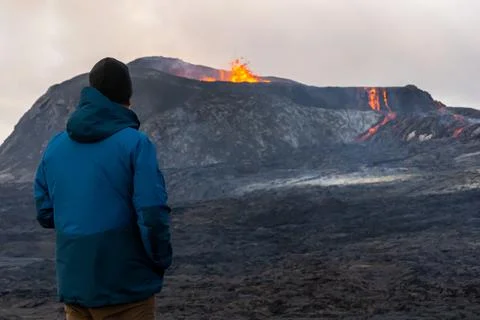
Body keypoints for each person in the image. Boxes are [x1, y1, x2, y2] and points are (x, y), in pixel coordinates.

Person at [33, 57, 172, 320]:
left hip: (75, 286)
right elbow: (152, 212)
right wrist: (160, 259)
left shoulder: (55, 146)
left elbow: (45, 212)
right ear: (127, 95)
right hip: (126, 289)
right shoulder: (136, 144)